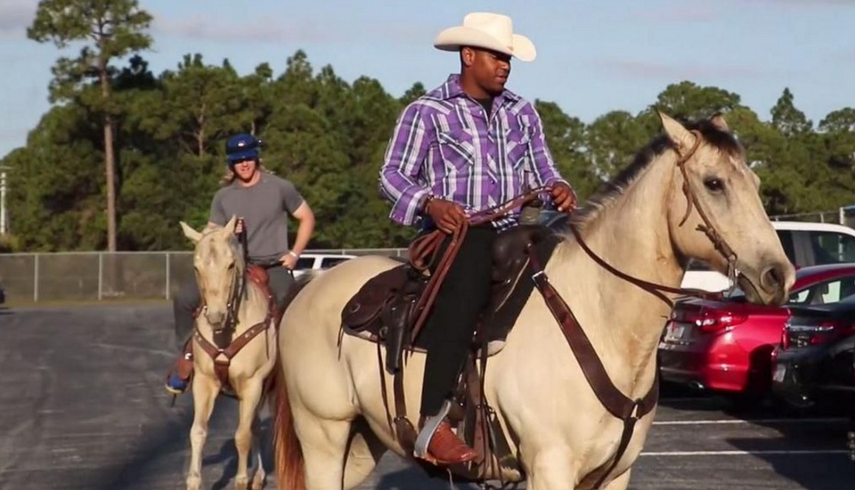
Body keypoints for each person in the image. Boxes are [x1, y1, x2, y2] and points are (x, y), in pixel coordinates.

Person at [378, 12, 577, 466]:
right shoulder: (427, 111)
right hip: (460, 231)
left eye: (508, 57)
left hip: (518, 230)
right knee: (466, 281)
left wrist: (559, 187)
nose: (505, 65)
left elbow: (544, 168)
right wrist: (430, 204)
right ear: (468, 56)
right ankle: (433, 420)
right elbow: (391, 175)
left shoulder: (523, 111)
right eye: (496, 55)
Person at [165, 133, 316, 395]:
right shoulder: (223, 196)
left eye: (248, 158)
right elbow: (212, 231)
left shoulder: (279, 187)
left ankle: (293, 374)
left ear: (257, 158)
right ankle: (188, 356)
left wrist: (294, 254)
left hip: (271, 266)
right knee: (185, 298)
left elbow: (306, 217)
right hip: (233, 268)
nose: (244, 164)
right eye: (238, 160)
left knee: (291, 310)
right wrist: (221, 233)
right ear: (230, 164)